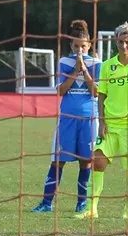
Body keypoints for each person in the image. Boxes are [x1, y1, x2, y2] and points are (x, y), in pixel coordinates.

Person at [32, 20, 101, 214]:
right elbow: (61, 90)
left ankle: (82, 203)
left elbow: (95, 92)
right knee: (57, 160)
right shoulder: (64, 62)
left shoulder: (97, 64)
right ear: (71, 45)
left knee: (86, 161)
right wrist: (75, 71)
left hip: (89, 118)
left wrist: (84, 70)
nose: (80, 50)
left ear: (89, 45)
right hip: (67, 118)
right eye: (76, 46)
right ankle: (46, 203)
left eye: (84, 46)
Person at [76, 22, 128, 219]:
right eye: (121, 42)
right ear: (116, 41)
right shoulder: (107, 66)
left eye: (127, 42)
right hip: (110, 125)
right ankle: (92, 209)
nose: (124, 46)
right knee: (97, 162)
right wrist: (102, 121)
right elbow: (102, 96)